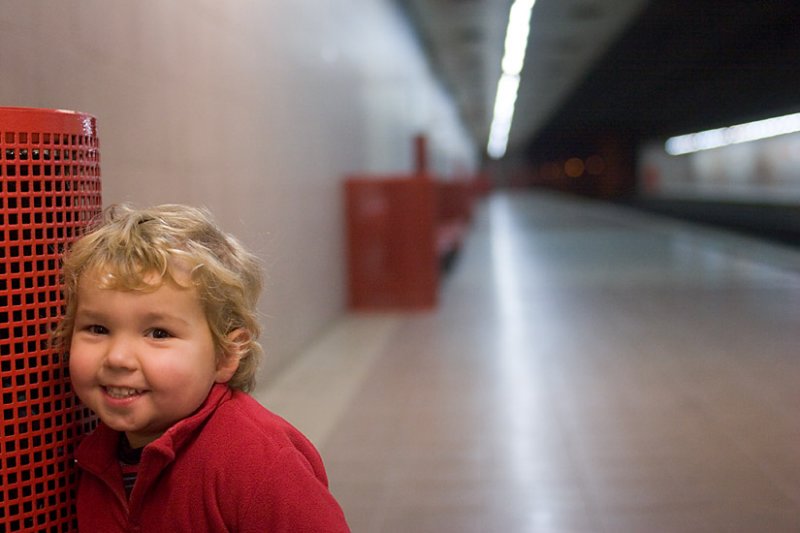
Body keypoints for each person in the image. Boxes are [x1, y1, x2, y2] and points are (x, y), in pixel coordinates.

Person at [52, 204, 350, 532]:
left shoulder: (258, 465)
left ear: (225, 354)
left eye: (158, 333)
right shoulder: (93, 456)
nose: (118, 358)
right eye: (98, 329)